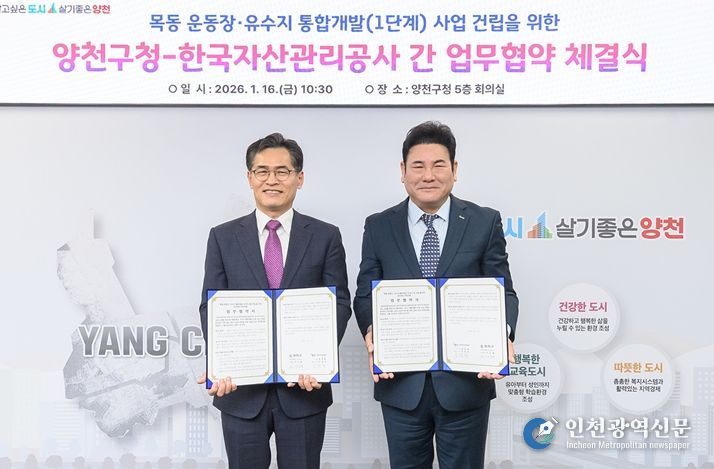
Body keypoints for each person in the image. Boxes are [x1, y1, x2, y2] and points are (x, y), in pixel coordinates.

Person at [353, 121, 519, 469]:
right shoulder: (379, 225)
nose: (428, 175)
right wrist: (371, 331)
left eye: (438, 165)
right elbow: (366, 292)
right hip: (401, 385)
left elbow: (502, 290)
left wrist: (500, 335)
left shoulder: (484, 221)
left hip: (465, 385)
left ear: (454, 170)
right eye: (418, 165)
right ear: (403, 171)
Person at [197, 133, 352, 469]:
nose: (272, 180)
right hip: (240, 393)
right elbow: (212, 306)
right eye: (262, 171)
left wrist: (319, 358)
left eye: (282, 171)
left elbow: (339, 302)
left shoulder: (325, 236)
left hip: (304, 391)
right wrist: (222, 361)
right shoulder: (222, 237)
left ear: (299, 178)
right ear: (249, 178)